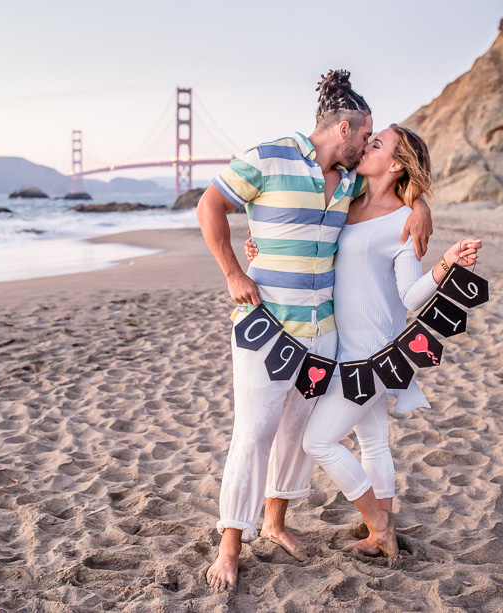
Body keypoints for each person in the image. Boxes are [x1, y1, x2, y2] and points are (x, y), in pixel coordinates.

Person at [196, 70, 433, 590]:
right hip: (265, 332)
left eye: (377, 141)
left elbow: (383, 204)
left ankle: (275, 523)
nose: (367, 144)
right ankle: (229, 546)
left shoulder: (349, 182)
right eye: (365, 135)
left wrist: (420, 205)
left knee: (295, 435)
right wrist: (235, 270)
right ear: (344, 128)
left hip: (321, 339)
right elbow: (210, 204)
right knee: (252, 435)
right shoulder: (268, 156)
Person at [246, 124, 481, 557]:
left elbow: (411, 296)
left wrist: (446, 262)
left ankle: (379, 527)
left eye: (377, 144)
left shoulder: (402, 221)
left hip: (373, 354)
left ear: (394, 164)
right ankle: (380, 526)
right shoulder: (348, 199)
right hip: (339, 347)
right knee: (372, 439)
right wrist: (264, 249)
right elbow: (310, 240)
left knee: (318, 441)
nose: (367, 146)